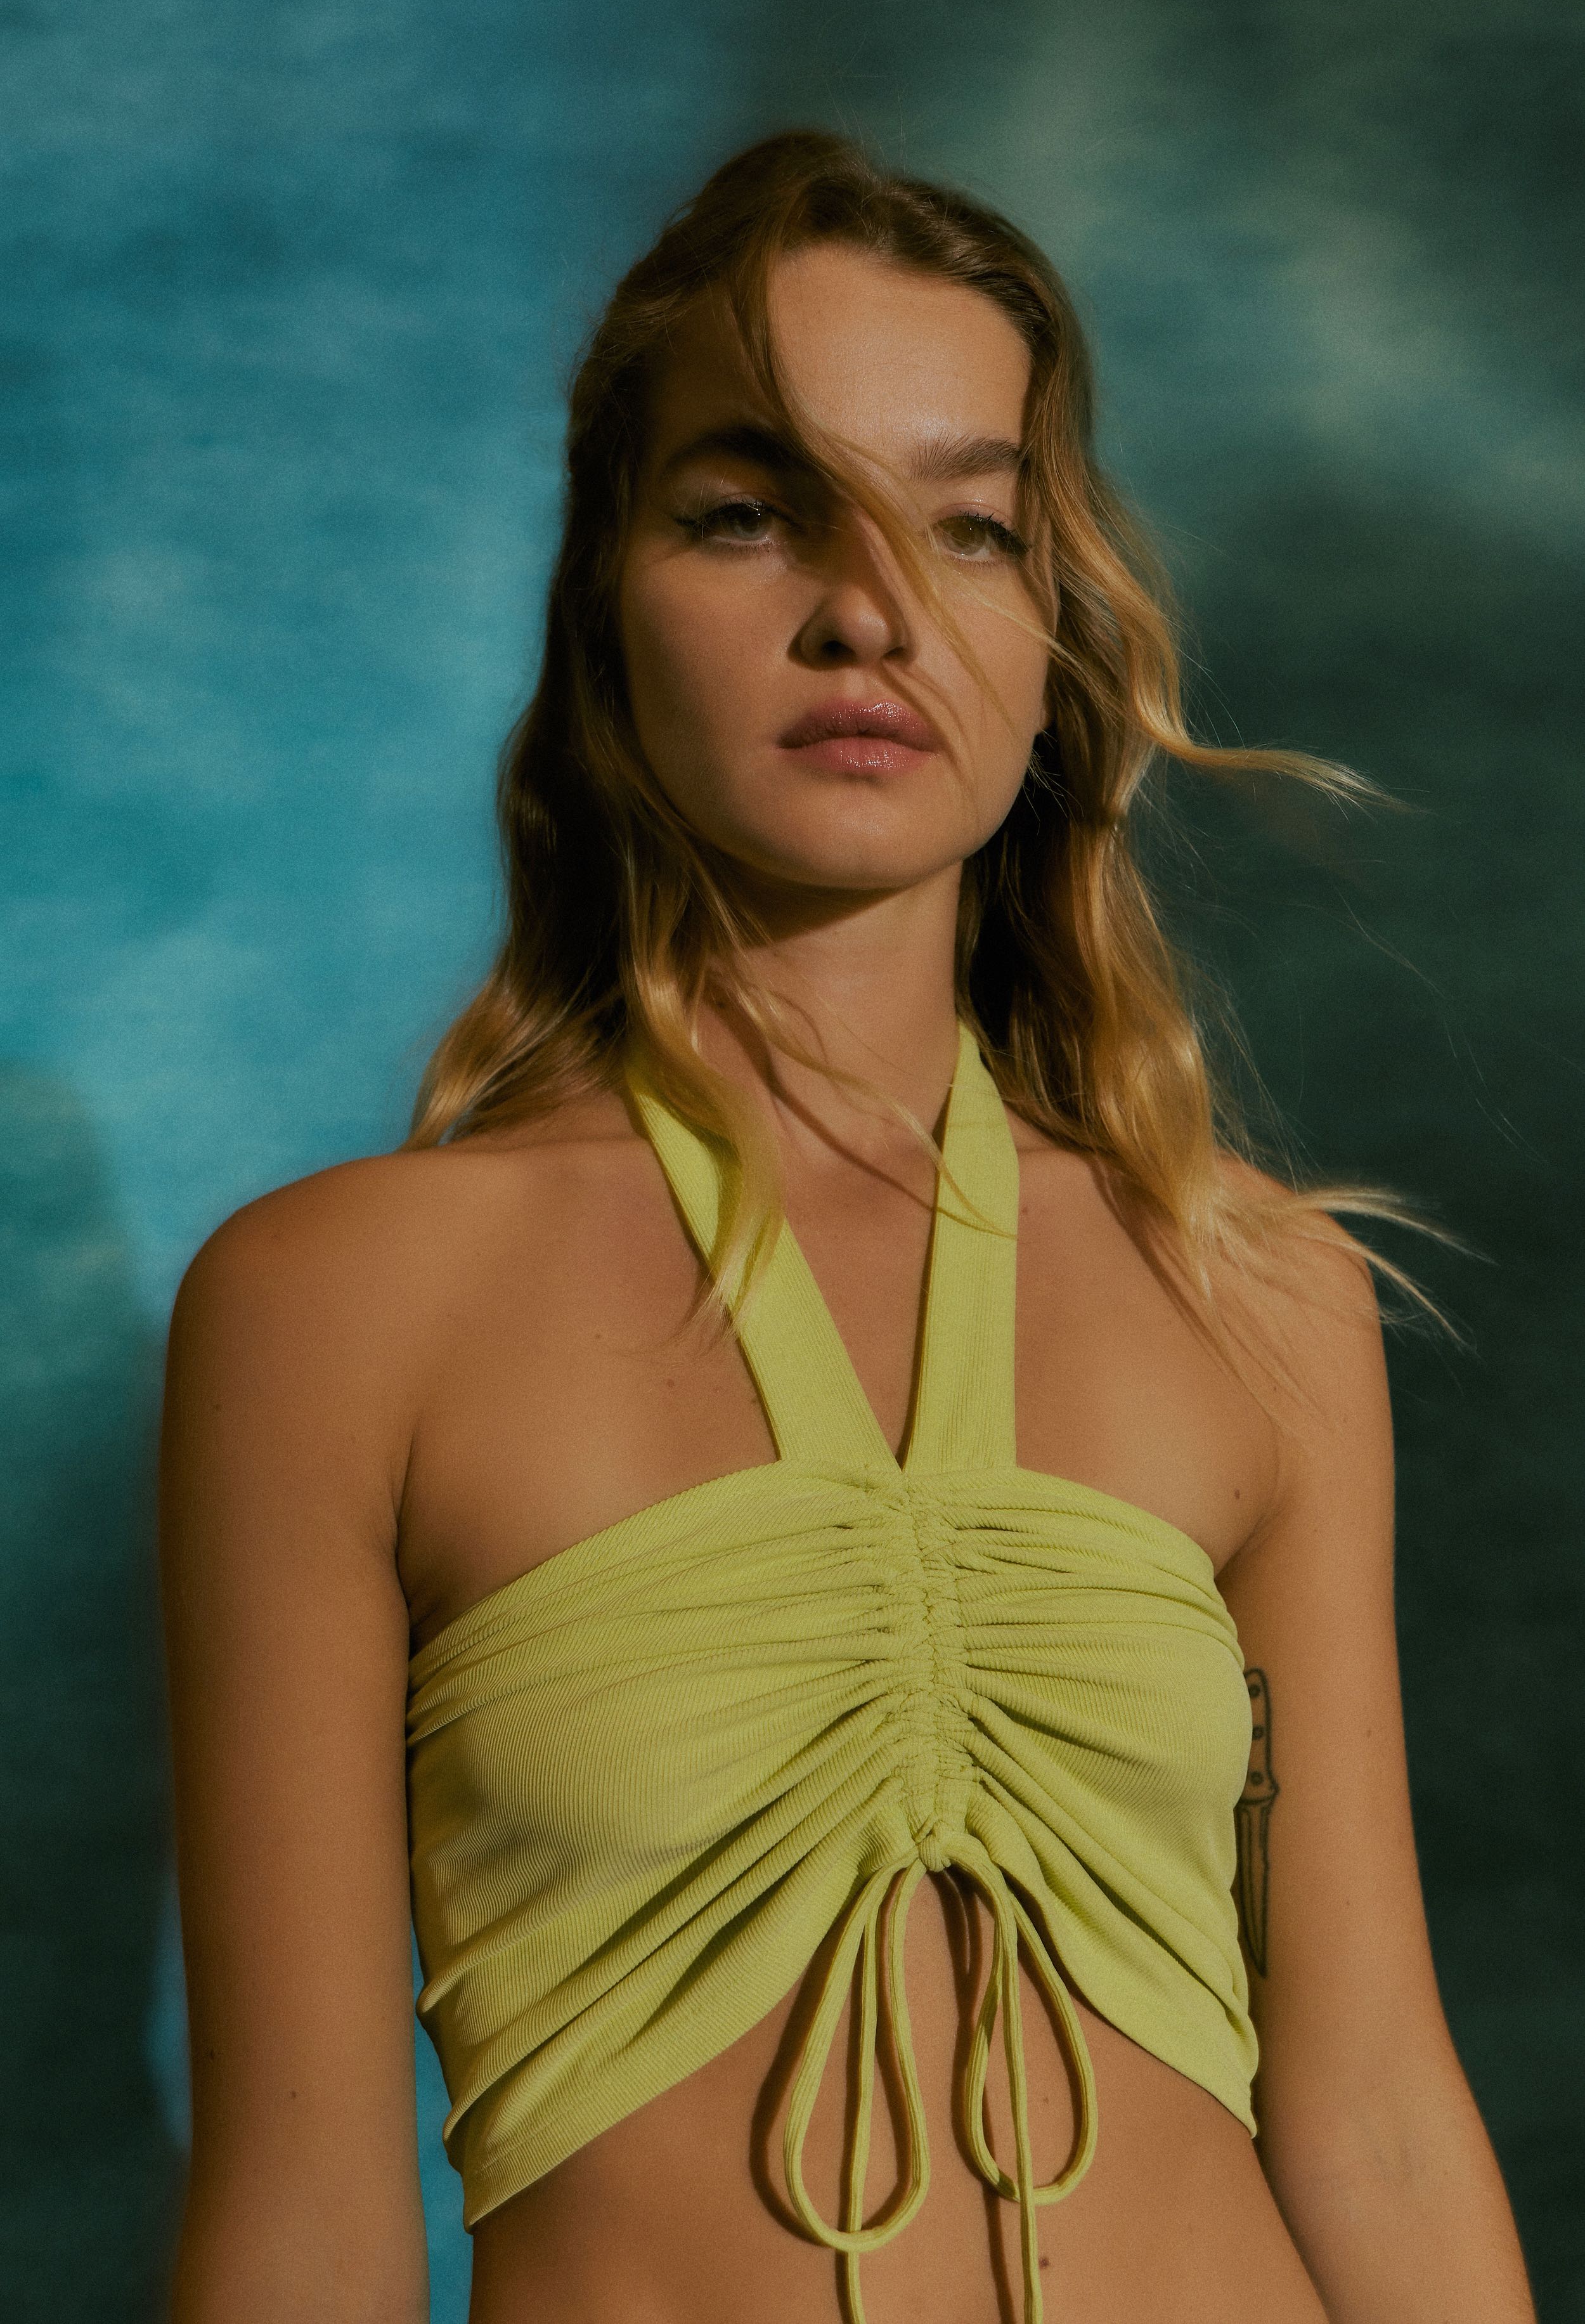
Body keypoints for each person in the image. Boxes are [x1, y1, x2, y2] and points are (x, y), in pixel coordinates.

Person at [157, 131, 1535, 2324]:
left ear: (1051, 631)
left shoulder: (1257, 1289)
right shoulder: (333, 1306)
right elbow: (302, 2219)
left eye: (968, 525)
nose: (868, 609)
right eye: (748, 510)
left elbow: (1370, 2112)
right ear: (600, 602)